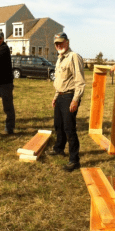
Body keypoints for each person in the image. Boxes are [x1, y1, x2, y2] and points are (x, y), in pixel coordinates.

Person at [47, 32, 85, 172]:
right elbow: (60, 80)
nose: (59, 45)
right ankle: (59, 149)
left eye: (61, 43)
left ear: (67, 42)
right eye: (56, 43)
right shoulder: (60, 58)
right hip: (60, 96)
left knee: (69, 129)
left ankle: (74, 160)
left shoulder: (73, 57)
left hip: (70, 97)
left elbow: (80, 82)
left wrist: (75, 100)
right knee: (58, 125)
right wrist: (56, 96)